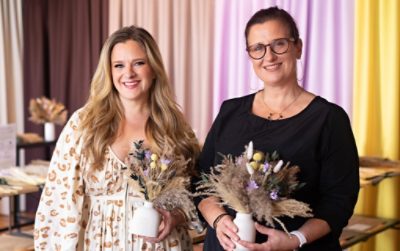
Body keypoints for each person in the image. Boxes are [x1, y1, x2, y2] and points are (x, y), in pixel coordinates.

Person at [196, 6, 359, 251]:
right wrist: (219, 220)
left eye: (279, 44)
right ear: (250, 54)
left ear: (298, 47)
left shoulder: (328, 119)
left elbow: (339, 201)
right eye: (258, 48)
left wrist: (295, 239)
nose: (269, 57)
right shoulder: (230, 111)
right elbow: (202, 181)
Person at [34, 25, 201, 250]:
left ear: (153, 68)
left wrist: (176, 217)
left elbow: (196, 193)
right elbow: (57, 201)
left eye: (139, 63)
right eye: (119, 65)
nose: (129, 73)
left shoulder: (175, 126)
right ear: (109, 72)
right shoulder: (84, 124)